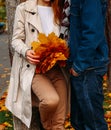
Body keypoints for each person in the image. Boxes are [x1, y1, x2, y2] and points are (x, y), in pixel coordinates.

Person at [5, 0, 68, 129]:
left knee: (59, 121)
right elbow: (16, 39)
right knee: (51, 101)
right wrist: (26, 51)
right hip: (34, 69)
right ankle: (46, 125)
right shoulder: (24, 8)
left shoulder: (60, 9)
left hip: (56, 69)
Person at [66, 0, 109, 130]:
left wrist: (79, 65)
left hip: (88, 68)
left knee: (94, 124)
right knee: (79, 122)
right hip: (80, 67)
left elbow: (92, 33)